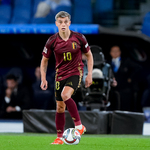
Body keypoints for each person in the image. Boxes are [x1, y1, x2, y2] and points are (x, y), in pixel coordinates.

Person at [40, 11, 93, 144]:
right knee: (60, 107)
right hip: (60, 75)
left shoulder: (79, 38)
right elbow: (44, 61)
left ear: (69, 23)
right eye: (60, 22)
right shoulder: (52, 41)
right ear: (56, 23)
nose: (63, 24)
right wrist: (43, 78)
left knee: (65, 95)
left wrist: (89, 74)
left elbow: (89, 56)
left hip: (76, 71)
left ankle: (79, 126)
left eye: (65, 22)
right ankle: (59, 138)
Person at [108, 45, 141, 111]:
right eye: (113, 51)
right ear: (110, 53)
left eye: (116, 51)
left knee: (124, 106)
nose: (115, 53)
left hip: (124, 89)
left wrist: (130, 78)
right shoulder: (107, 63)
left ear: (120, 52)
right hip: (112, 90)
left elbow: (138, 68)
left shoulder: (126, 61)